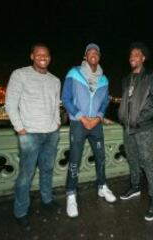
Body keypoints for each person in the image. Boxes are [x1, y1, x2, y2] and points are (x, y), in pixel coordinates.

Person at [5, 43, 61, 230]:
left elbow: (55, 105)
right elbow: (10, 103)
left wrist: (57, 122)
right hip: (29, 134)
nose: (42, 57)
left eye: (46, 55)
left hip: (51, 133)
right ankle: (20, 211)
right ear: (32, 56)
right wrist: (20, 128)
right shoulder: (19, 74)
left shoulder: (55, 80)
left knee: (47, 169)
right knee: (25, 175)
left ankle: (47, 200)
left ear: (50, 58)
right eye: (38, 54)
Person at [62, 43, 116, 218]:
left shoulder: (104, 79)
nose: (93, 54)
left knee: (101, 157)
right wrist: (82, 117)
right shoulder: (74, 73)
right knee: (75, 159)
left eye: (96, 52)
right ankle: (71, 194)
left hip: (96, 124)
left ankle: (102, 187)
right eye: (90, 52)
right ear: (85, 56)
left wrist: (99, 117)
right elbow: (66, 98)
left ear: (99, 57)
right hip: (79, 122)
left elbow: (105, 102)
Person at [118, 42, 153, 221]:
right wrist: (122, 116)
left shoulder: (152, 76)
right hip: (127, 128)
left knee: (147, 163)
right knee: (132, 159)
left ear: (143, 58)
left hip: (144, 129)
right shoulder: (126, 79)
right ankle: (135, 187)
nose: (132, 57)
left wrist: (141, 117)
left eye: (136, 54)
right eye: (131, 55)